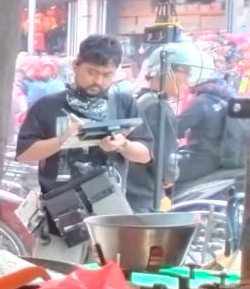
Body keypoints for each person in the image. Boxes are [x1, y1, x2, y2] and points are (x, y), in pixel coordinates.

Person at [15, 35, 152, 258]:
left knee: (108, 277)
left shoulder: (124, 103)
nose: (98, 81)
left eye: (107, 75)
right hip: (60, 217)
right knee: (57, 277)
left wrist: (123, 145)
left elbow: (145, 155)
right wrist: (61, 140)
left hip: (109, 211)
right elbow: (24, 153)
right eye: (92, 72)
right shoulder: (48, 106)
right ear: (75, 65)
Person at [128, 43, 207, 212]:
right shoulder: (158, 107)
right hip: (144, 199)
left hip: (132, 194)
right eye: (186, 72)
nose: (188, 80)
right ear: (166, 71)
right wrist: (170, 175)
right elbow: (165, 167)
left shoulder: (141, 100)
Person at [173, 52, 244, 188]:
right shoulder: (223, 96)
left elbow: (175, 128)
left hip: (202, 159)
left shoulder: (201, 102)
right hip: (219, 157)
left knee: (160, 172)